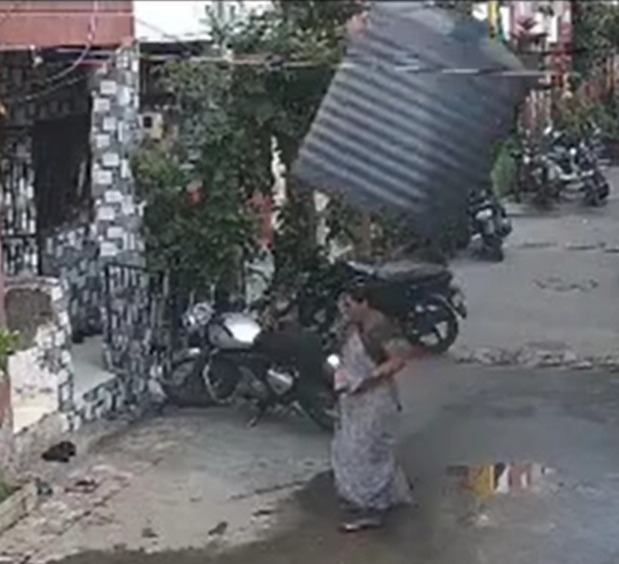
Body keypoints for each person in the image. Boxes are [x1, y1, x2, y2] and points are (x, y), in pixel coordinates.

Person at [332, 282, 418, 532]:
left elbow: (400, 359)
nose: (345, 310)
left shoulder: (380, 328)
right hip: (352, 398)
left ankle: (369, 508)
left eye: (350, 305)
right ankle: (376, 498)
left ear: (365, 304)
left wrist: (368, 380)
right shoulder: (351, 326)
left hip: (375, 399)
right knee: (351, 448)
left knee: (365, 453)